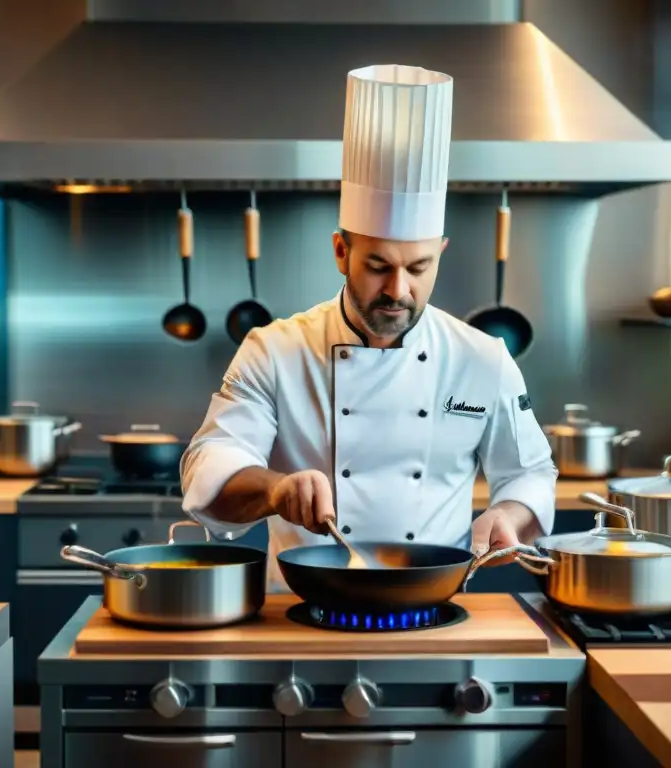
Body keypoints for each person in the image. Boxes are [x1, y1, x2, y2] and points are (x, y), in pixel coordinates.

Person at [180, 63, 556, 592]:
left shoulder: (482, 358)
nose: (399, 290)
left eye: (419, 267)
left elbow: (530, 473)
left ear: (440, 254)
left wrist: (510, 516)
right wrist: (275, 489)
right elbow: (208, 469)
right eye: (378, 265)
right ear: (341, 251)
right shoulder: (274, 351)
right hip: (296, 613)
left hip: (435, 611)